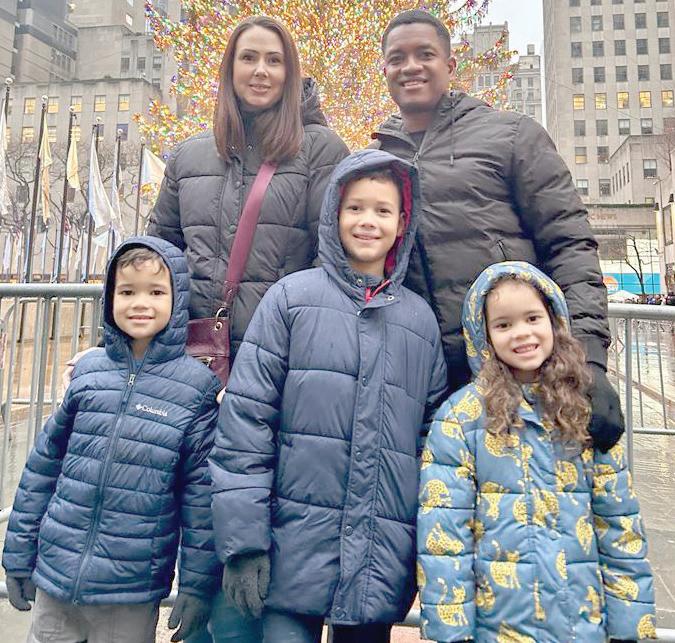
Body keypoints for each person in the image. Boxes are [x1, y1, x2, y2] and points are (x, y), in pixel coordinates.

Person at [209, 149, 447, 643]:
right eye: (355, 207)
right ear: (335, 213)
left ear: (402, 223)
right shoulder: (290, 300)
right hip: (288, 552)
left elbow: (432, 444)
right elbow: (246, 425)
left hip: (377, 563)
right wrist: (244, 541)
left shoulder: (420, 322)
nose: (367, 221)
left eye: (382, 210)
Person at [373, 9, 623, 453]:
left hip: (517, 375)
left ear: (449, 65)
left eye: (424, 54)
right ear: (386, 70)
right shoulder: (375, 160)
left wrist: (588, 360)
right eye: (397, 58)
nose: (411, 66)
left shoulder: (512, 136)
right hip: (419, 384)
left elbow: (569, 245)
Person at [417, 261, 656, 643]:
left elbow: (618, 524)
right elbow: (444, 536)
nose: (522, 333)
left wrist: (629, 626)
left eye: (532, 318)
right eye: (504, 325)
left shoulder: (585, 411)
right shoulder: (461, 419)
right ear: (484, 334)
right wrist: (451, 631)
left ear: (554, 321)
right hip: (497, 628)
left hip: (581, 625)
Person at [2, 237, 222, 643]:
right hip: (57, 574)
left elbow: (199, 499)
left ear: (178, 301)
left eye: (156, 292)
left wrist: (197, 585)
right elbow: (41, 469)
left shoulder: (196, 388)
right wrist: (18, 552)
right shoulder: (88, 372)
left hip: (131, 589)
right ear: (110, 298)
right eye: (127, 292)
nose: (141, 303)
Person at [147, 15, 349, 362]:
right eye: (248, 58)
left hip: (281, 357)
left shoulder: (322, 151)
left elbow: (332, 261)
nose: (260, 70)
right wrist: (112, 348)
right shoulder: (188, 155)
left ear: (290, 73)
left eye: (274, 60)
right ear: (230, 69)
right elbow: (154, 261)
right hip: (194, 360)